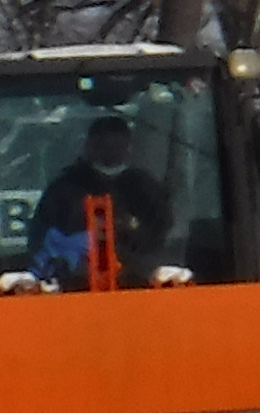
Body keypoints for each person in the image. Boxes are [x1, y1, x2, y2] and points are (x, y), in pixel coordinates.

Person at [25, 112, 172, 288]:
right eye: (103, 143)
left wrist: (129, 233)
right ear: (89, 145)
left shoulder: (145, 187)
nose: (110, 150)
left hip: (140, 284)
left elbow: (164, 232)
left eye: (117, 144)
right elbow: (40, 237)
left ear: (129, 147)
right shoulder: (64, 188)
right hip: (73, 287)